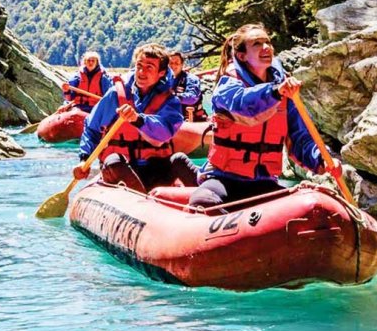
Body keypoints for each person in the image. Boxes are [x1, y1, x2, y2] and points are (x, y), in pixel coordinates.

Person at [189, 24, 341, 208]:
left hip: (263, 181)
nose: (266, 47)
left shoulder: (285, 93)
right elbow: (244, 106)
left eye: (267, 42)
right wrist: (275, 92)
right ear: (241, 55)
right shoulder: (227, 86)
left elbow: (300, 139)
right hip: (224, 178)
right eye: (257, 44)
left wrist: (321, 158)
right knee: (202, 202)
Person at [74, 42, 201, 193]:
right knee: (113, 160)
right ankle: (141, 198)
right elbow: (91, 128)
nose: (141, 72)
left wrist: (138, 119)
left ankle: (209, 200)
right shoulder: (116, 95)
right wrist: (84, 158)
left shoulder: (169, 101)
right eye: (139, 65)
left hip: (154, 169)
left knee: (178, 159)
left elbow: (164, 133)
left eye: (149, 67)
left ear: (161, 72)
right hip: (122, 168)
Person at [168, 50, 208, 122]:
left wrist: (173, 96)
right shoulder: (166, 80)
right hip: (174, 120)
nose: (173, 66)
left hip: (193, 119)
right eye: (171, 63)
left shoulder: (191, 79)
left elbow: (192, 98)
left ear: (182, 64)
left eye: (176, 63)